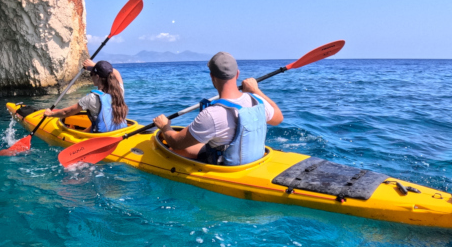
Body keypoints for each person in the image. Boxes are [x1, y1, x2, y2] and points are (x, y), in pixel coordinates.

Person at [152, 52, 283, 165]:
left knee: (172, 149)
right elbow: (278, 118)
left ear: (212, 77)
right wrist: (255, 90)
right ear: (237, 74)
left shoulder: (212, 114)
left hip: (226, 166)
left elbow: (176, 142)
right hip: (255, 160)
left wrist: (165, 126)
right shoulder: (257, 101)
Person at [44, 59, 128, 132]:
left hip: (102, 138)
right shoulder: (119, 91)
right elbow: (115, 72)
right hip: (119, 132)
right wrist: (94, 66)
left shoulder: (92, 98)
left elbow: (66, 112)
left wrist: (50, 114)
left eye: (91, 74)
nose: (91, 77)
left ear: (97, 77)